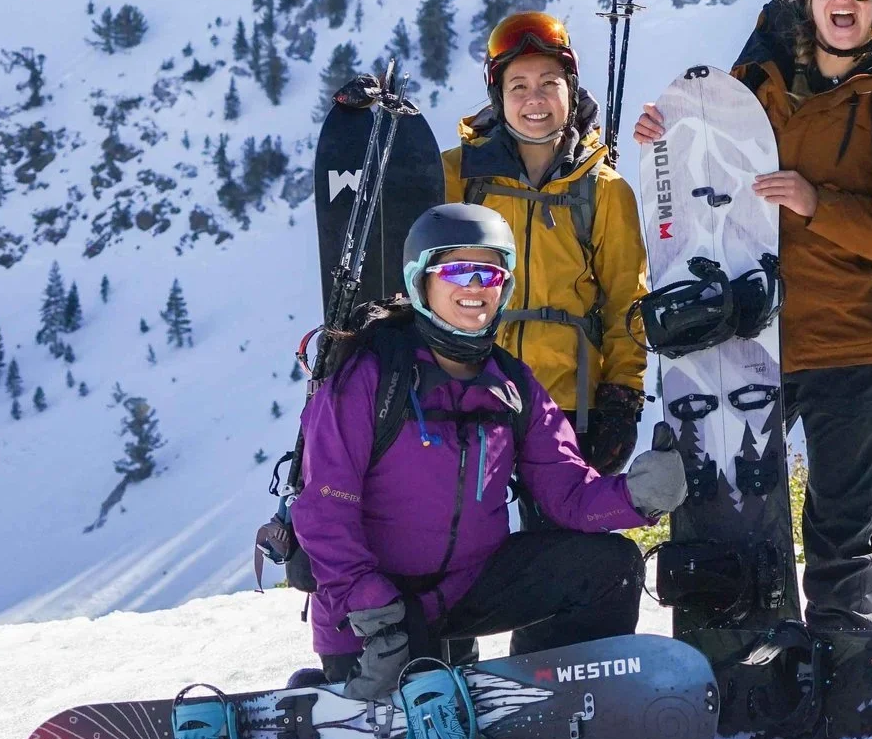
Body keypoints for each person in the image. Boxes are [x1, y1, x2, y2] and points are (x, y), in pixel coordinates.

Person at [631, 0, 872, 630]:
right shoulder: (753, 80)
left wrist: (818, 204)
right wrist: (664, 138)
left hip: (854, 340)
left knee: (842, 535)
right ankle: (739, 654)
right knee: (730, 517)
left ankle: (841, 656)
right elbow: (704, 178)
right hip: (750, 340)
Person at [290, 204, 687, 698]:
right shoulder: (369, 377)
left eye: (490, 272)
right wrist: (373, 611)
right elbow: (325, 510)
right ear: (420, 281)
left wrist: (637, 496)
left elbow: (566, 491)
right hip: (376, 615)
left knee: (608, 569)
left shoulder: (511, 382)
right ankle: (331, 691)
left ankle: (556, 698)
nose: (475, 287)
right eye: (457, 270)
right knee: (415, 711)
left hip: (465, 591)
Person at [443, 11, 649, 476]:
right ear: (499, 96)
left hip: (570, 406)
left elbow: (626, 302)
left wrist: (622, 398)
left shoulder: (604, 190)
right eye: (518, 86)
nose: (534, 99)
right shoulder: (458, 177)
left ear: (570, 91)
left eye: (549, 83)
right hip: (469, 395)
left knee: (560, 546)